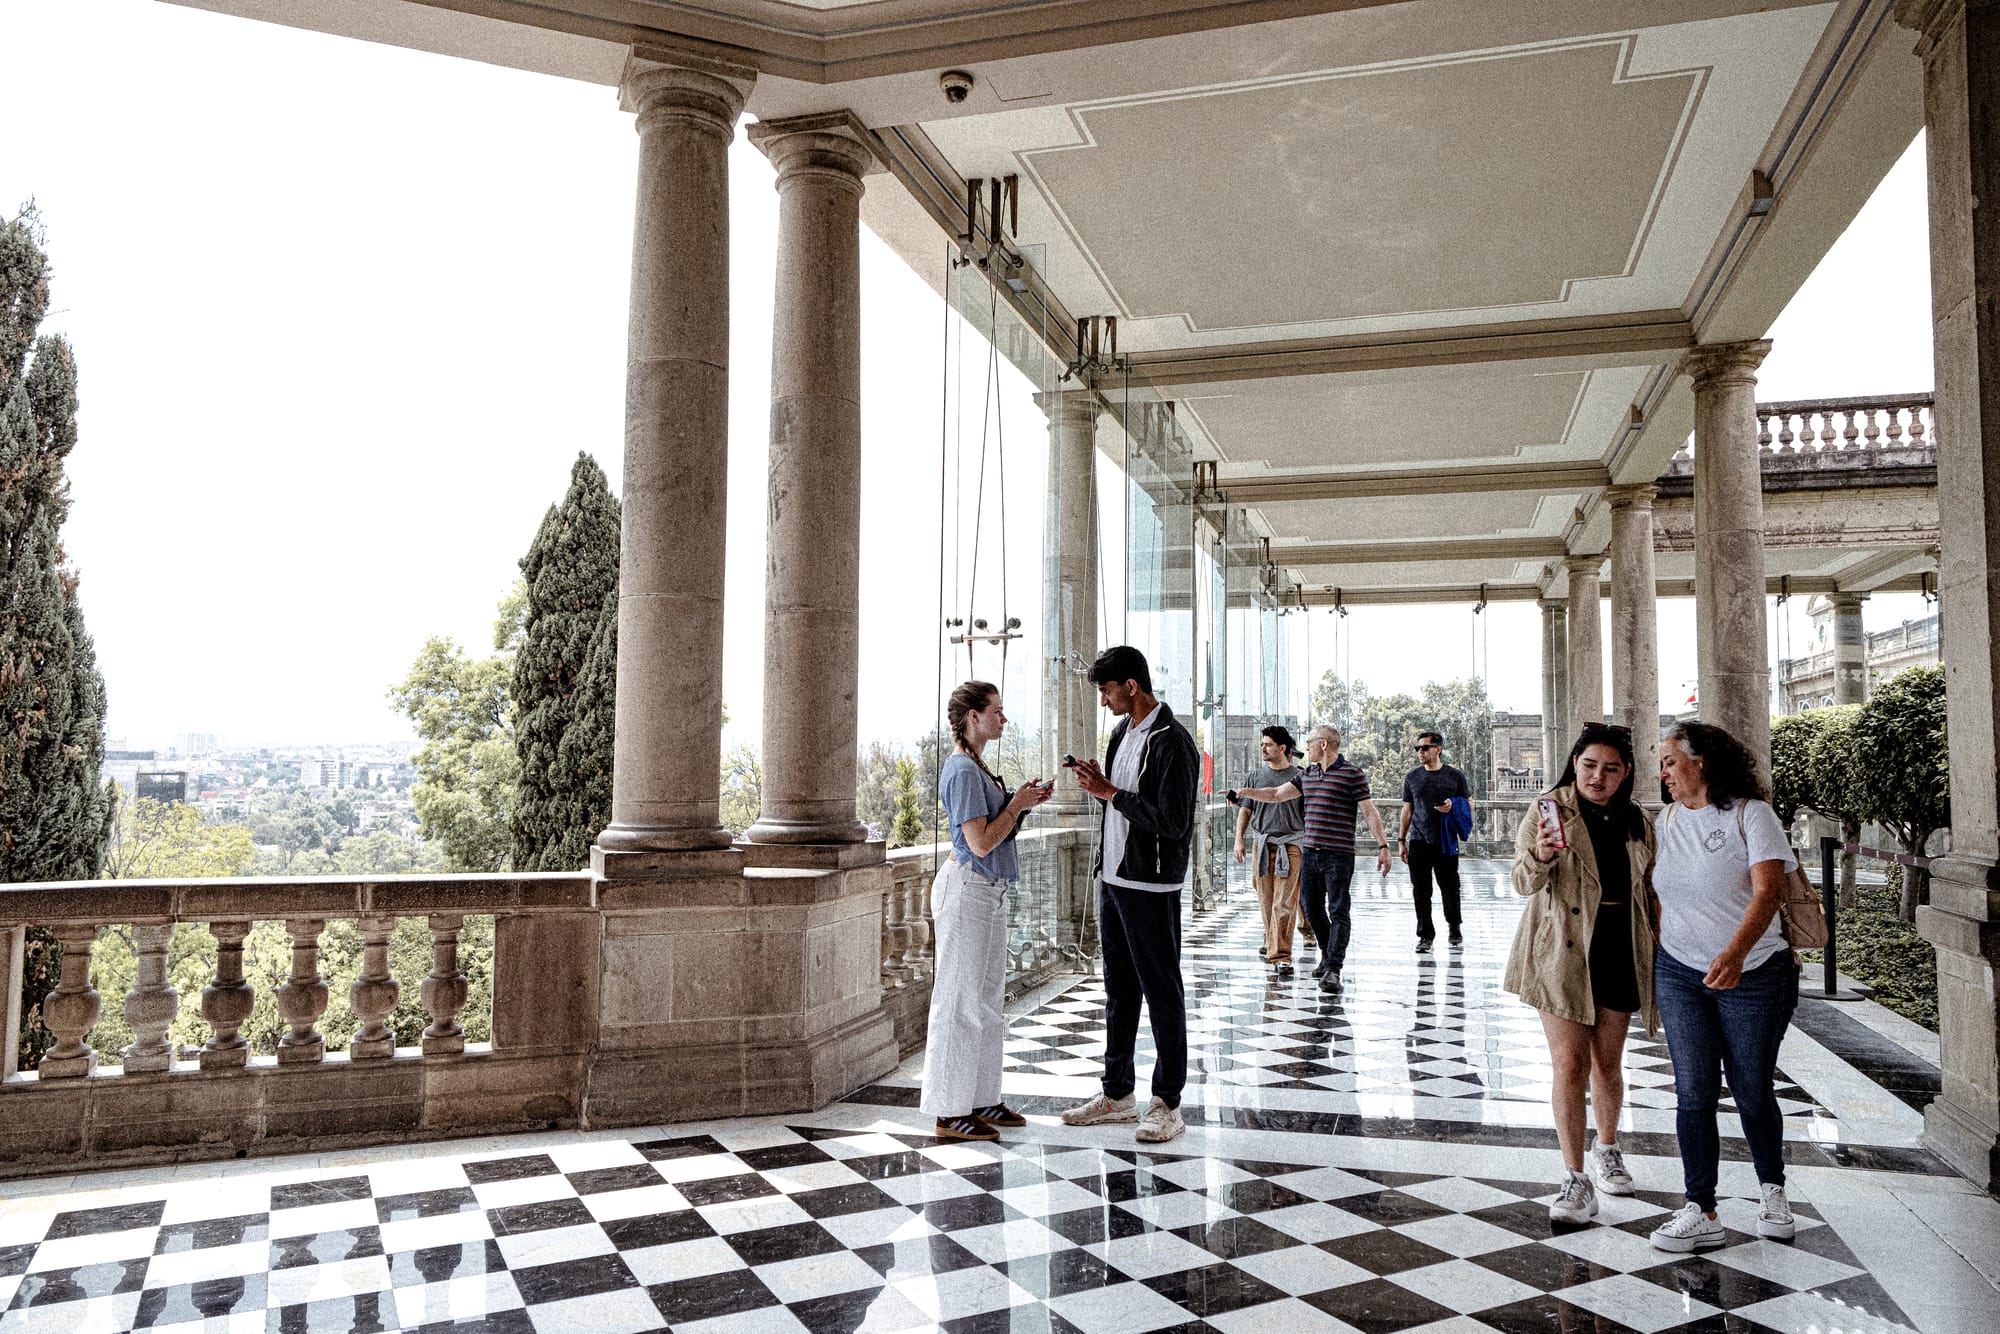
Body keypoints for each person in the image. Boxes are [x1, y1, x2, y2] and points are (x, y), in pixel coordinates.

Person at [1647, 719, 1799, 1252]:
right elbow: (1663, 892)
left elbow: (1769, 891)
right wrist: (1672, 950)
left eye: (1669, 760)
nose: (1663, 772)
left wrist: (1733, 954)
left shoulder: (1751, 815)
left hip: (1755, 973)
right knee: (1693, 1092)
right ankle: (1701, 1208)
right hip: (1681, 973)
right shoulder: (1665, 821)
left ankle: (1773, 1191)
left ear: (1701, 760)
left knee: (1751, 1087)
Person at [1507, 722, 1660, 1224]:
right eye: (1590, 764)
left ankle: (1608, 1146)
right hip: (1564, 951)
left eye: (1611, 768)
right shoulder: (1549, 809)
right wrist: (1544, 853)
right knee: (1569, 1064)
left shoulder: (1638, 819)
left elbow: (1651, 890)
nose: (1599, 776)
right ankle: (1575, 1178)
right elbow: (1522, 882)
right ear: (1575, 763)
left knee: (1608, 1063)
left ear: (1627, 773)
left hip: (1619, 945)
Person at [1058, 645, 1201, 1144]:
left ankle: (1168, 1103)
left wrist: (1110, 792)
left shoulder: (1174, 742)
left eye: (1106, 690)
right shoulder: (1122, 733)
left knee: (1163, 992)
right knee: (1118, 991)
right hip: (1114, 881)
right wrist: (1102, 785)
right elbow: (1118, 805)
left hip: (1152, 885)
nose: (1103, 701)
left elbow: (1174, 822)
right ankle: (1118, 1095)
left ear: (1132, 687)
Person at [919, 681, 1052, 1142]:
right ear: (972, 716)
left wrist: (1020, 804)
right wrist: (1015, 805)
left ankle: (981, 1097)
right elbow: (978, 843)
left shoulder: (977, 767)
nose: (1003, 718)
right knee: (958, 1002)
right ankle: (949, 1109)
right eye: (996, 710)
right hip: (967, 891)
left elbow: (993, 833)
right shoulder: (960, 771)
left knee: (988, 1001)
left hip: (988, 891)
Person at [1231, 724, 1392, 994]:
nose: (1306, 747)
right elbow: (1276, 794)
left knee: (1338, 910)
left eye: (1310, 742)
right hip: (1310, 852)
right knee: (1311, 909)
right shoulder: (1308, 774)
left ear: (1324, 744)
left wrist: (1384, 846)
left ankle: (1333, 969)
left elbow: (1369, 811)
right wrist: (1245, 793)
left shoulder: (1352, 774)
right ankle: (1328, 957)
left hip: (1338, 856)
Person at [1232, 725, 1305, 977]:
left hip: (1292, 845)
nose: (1263, 748)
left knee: (1284, 903)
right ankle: (1272, 939)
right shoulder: (1255, 777)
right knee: (1266, 901)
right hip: (1261, 845)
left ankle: (1281, 956)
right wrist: (1239, 839)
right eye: (1262, 744)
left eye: (1268, 744)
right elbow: (1245, 810)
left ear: (1282, 748)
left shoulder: (1300, 776)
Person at [1399, 730, 1474, 952]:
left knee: (1450, 888)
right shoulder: (1412, 777)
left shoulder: (1455, 776)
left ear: (1438, 749)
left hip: (1446, 840)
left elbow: (1470, 804)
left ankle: (1454, 926)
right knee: (1421, 891)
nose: (1420, 752)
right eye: (1417, 748)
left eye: (1424, 748)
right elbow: (1407, 810)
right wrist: (1401, 840)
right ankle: (1425, 936)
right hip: (1419, 841)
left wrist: (1454, 805)